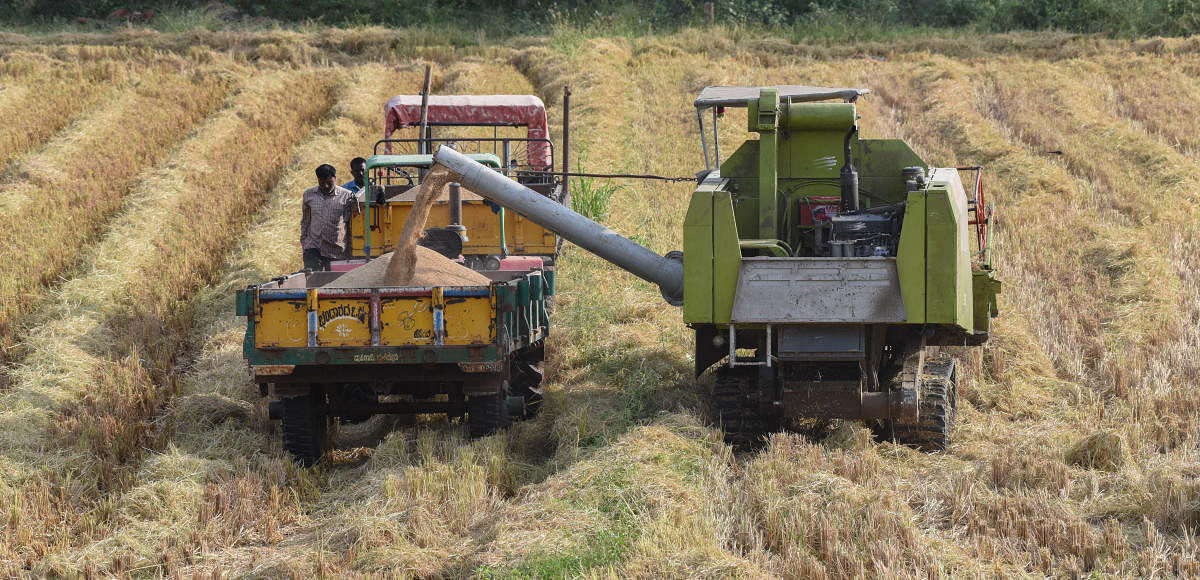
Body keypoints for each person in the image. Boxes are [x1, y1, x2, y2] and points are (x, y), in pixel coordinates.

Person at [301, 164, 358, 271]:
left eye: (329, 182)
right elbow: (305, 222)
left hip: (336, 250)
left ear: (335, 178)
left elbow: (351, 226)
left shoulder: (347, 196)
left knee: (333, 283)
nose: (326, 186)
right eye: (322, 183)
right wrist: (304, 244)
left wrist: (350, 251)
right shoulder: (309, 195)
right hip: (313, 247)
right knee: (312, 280)